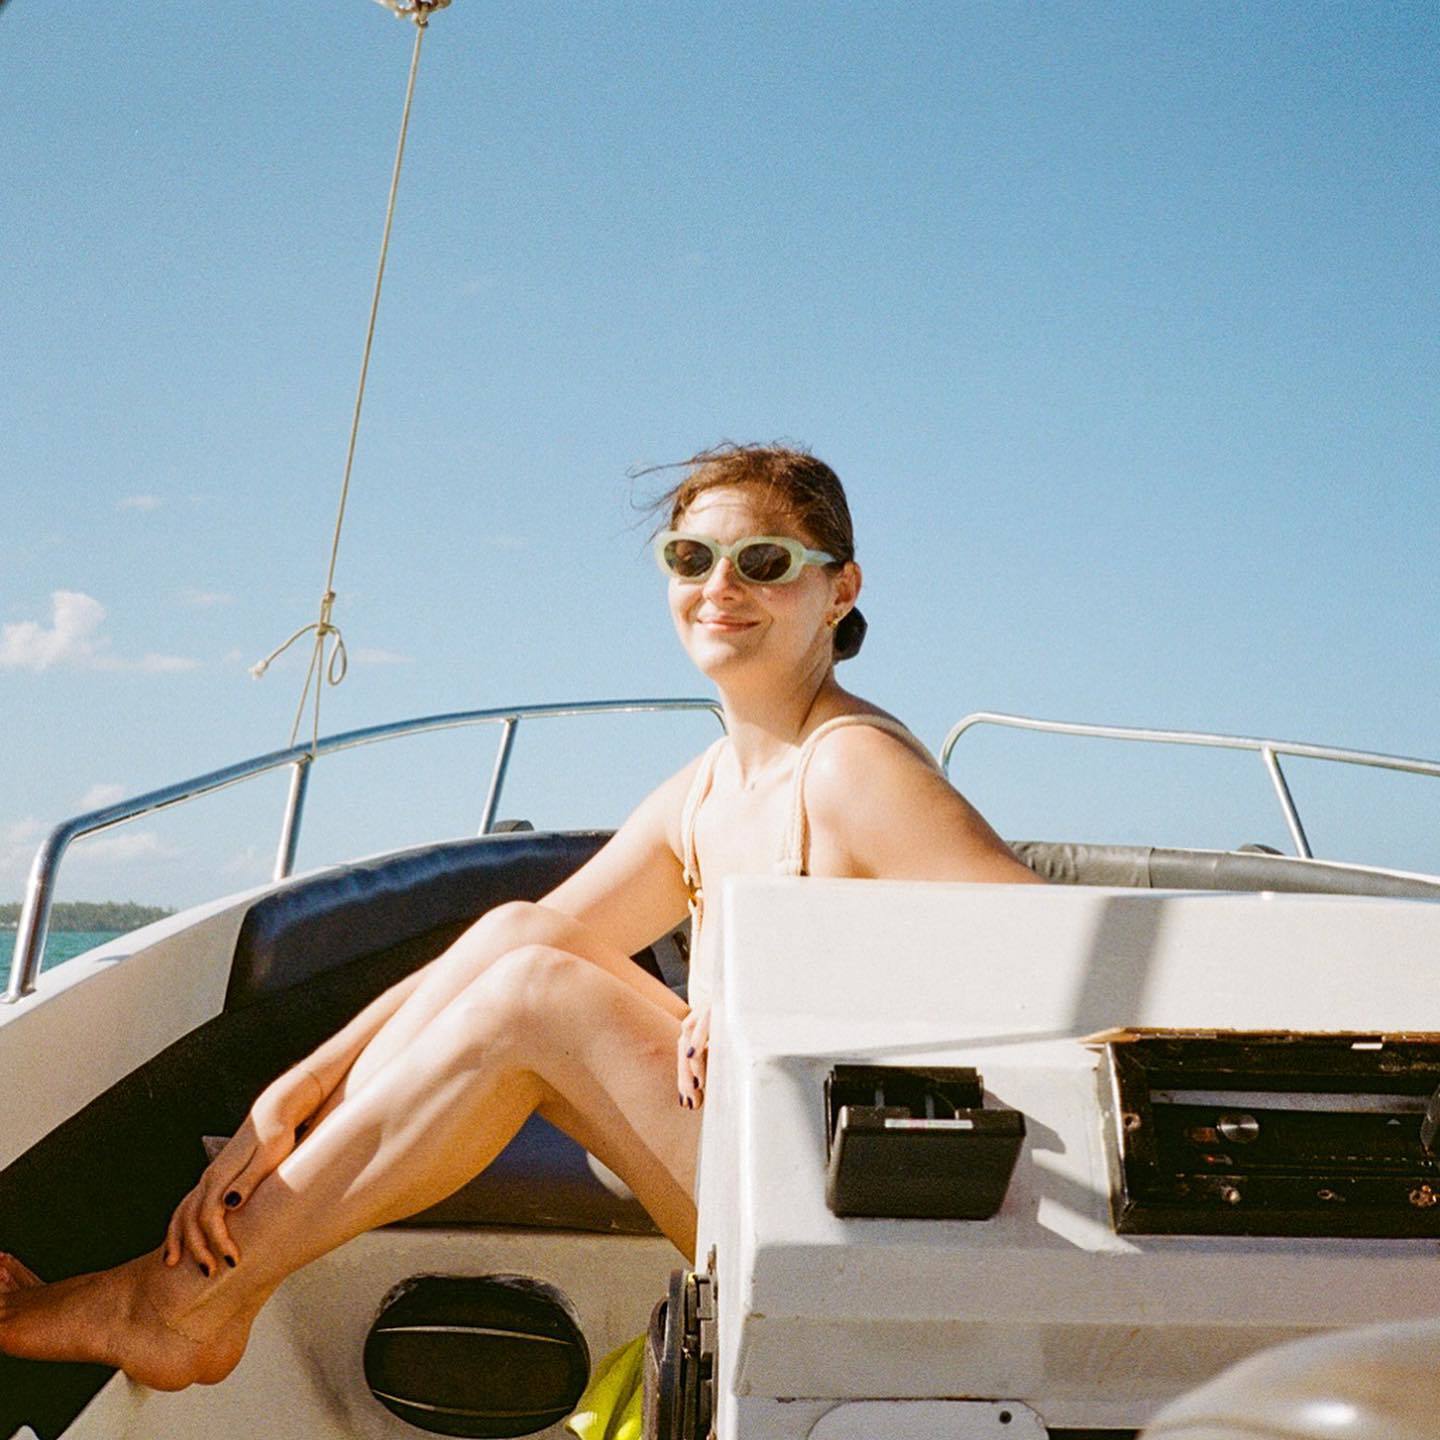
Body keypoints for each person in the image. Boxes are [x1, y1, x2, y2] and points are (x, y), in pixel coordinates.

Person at [0, 443, 1041, 1390]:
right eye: (691, 558)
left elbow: (1072, 978)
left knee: (535, 997)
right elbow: (515, 937)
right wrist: (299, 1089)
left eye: (763, 562)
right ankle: (195, 1288)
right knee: (520, 939)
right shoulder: (712, 787)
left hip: (868, 1229)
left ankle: (176, 1307)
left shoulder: (852, 768)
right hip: (779, 1183)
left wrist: (791, 996)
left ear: (839, 588)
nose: (720, 588)